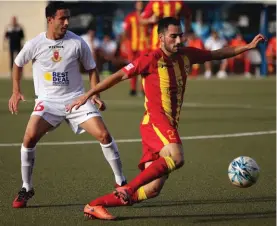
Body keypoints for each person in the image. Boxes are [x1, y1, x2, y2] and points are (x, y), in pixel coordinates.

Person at [66, 17, 266, 220]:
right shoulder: (151, 59)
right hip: (155, 122)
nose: (179, 40)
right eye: (173, 36)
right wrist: (88, 94)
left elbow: (217, 54)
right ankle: (127, 188)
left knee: (152, 190)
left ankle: (95, 204)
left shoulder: (186, 55)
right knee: (177, 157)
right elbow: (118, 76)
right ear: (161, 37)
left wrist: (247, 47)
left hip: (168, 124)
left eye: (180, 35)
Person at [8, 1, 126, 209]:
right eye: (62, 18)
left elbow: (91, 69)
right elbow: (17, 64)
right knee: (28, 137)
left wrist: (94, 93)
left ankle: (121, 183)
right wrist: (16, 91)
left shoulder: (78, 43)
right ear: (50, 19)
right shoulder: (35, 44)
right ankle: (27, 187)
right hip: (48, 102)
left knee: (104, 135)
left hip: (77, 99)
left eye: (68, 18)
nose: (67, 22)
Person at [122, 0, 148, 96]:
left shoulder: (147, 16)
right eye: (138, 2)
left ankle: (143, 89)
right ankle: (132, 89)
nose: (140, 4)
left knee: (144, 68)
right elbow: (125, 31)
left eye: (141, 2)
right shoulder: (130, 17)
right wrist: (124, 44)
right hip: (133, 47)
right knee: (133, 67)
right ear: (135, 4)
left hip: (145, 46)